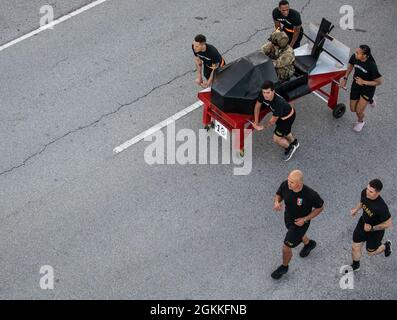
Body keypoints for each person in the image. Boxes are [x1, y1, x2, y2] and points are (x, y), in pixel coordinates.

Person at [271, 170, 324, 280]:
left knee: (286, 246)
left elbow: (320, 207)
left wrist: (304, 219)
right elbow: (279, 194)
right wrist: (277, 202)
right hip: (289, 218)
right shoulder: (286, 184)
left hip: (300, 224)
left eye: (292, 182)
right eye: (289, 180)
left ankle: (284, 267)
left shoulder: (310, 194)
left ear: (299, 183)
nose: (288, 183)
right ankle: (309, 244)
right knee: (296, 235)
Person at [350, 179, 393, 272]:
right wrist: (356, 210)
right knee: (355, 246)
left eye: (371, 191)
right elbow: (362, 202)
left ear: (378, 193)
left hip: (375, 232)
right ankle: (356, 265)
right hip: (363, 223)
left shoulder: (381, 208)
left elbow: (388, 223)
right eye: (367, 188)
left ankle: (386, 246)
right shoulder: (364, 193)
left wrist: (372, 228)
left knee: (370, 252)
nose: (367, 192)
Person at [339, 45, 383, 132]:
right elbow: (351, 65)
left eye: (358, 53)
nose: (355, 54)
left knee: (359, 111)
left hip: (368, 89)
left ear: (364, 56)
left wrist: (363, 82)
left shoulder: (372, 66)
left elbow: (379, 82)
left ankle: (361, 121)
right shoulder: (355, 57)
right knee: (352, 109)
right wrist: (345, 78)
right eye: (356, 52)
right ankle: (371, 99)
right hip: (356, 85)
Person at [252, 80, 299, 161]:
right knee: (286, 132)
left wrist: (262, 127)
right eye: (264, 92)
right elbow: (257, 106)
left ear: (273, 91)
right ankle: (295, 143)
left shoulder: (278, 103)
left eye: (268, 92)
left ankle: (290, 148)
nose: (265, 95)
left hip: (287, 118)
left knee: (276, 138)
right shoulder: (262, 94)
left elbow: (272, 121)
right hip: (281, 115)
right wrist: (256, 122)